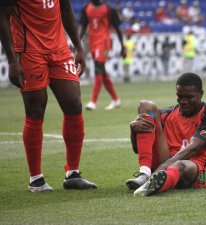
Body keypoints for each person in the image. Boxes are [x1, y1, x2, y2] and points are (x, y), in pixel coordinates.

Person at [0, 0, 97, 192]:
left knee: (74, 104)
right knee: (36, 109)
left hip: (60, 50)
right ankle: (36, 179)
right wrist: (12, 59)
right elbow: (3, 15)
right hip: (29, 50)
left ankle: (73, 174)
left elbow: (66, 10)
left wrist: (78, 47)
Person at [126, 72, 206, 197]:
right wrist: (133, 130)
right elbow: (138, 149)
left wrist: (163, 167)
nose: (183, 101)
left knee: (180, 165)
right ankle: (145, 174)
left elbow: (194, 148)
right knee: (147, 107)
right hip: (164, 162)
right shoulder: (164, 115)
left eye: (189, 97)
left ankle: (151, 186)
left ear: (201, 94)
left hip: (194, 167)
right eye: (180, 96)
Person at [80, 0, 126, 110]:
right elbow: (83, 26)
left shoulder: (109, 9)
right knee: (103, 73)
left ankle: (93, 102)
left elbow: (117, 28)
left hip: (104, 42)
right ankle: (116, 100)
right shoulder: (86, 8)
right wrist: (77, 42)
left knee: (98, 68)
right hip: (93, 43)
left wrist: (122, 47)